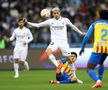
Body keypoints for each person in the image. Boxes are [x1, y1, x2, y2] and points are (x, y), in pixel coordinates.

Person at [79, 10, 108, 88]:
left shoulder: (95, 24)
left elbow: (87, 36)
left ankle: (98, 81)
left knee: (89, 68)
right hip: (107, 48)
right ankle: (100, 79)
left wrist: (82, 47)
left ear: (99, 16)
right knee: (101, 62)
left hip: (98, 48)